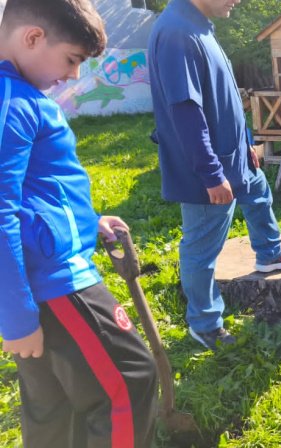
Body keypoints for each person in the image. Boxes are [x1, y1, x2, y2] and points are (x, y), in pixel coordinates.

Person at [0, 0, 158, 445]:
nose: (73, 76)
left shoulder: (19, 96)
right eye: (72, 59)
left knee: (54, 406)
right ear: (32, 37)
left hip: (43, 280)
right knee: (130, 382)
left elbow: (38, 190)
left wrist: (89, 222)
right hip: (57, 285)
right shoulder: (12, 102)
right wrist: (16, 319)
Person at [148, 0, 281, 351]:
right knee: (201, 249)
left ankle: (268, 253)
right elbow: (185, 111)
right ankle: (204, 324)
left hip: (236, 158)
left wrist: (247, 140)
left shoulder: (201, 26)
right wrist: (211, 174)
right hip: (210, 170)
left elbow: (228, 95)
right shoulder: (176, 33)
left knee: (261, 195)